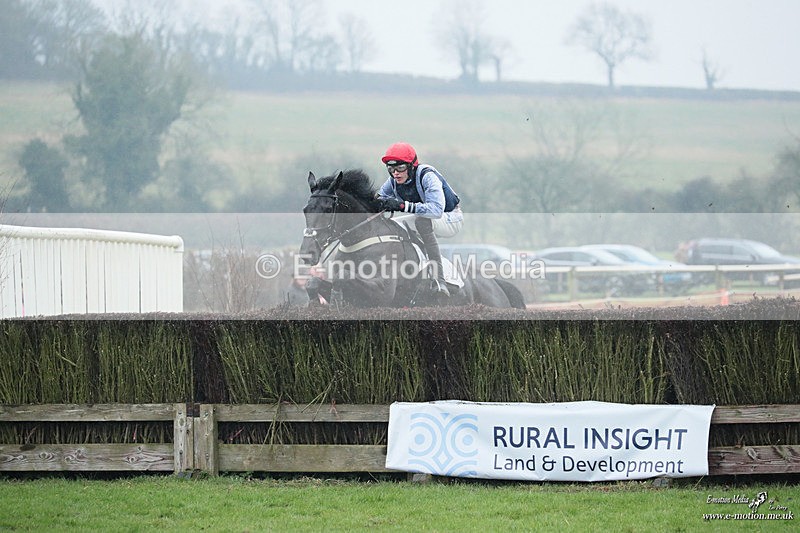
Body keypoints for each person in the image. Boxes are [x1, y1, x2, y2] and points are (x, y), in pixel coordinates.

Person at [377, 142, 463, 298]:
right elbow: (377, 199)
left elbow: (436, 210)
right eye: (391, 169)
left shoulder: (427, 176)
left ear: (411, 166)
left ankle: (440, 280)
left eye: (400, 168)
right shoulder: (393, 182)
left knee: (422, 222)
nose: (395, 173)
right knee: (393, 225)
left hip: (450, 218)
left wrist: (402, 205)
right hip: (425, 218)